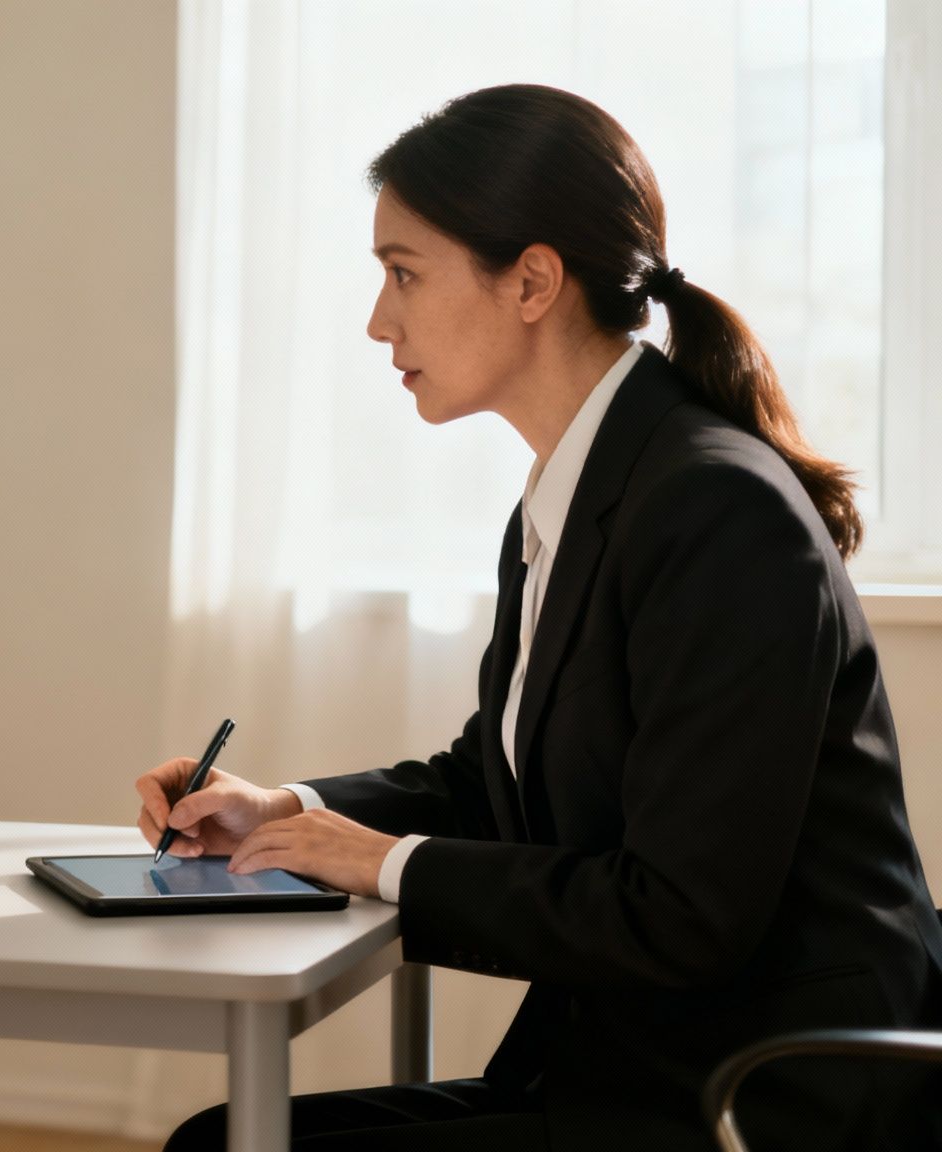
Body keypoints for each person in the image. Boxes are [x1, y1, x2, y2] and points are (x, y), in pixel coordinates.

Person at [137, 85, 942, 1152]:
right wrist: (284, 812)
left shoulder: (714, 509)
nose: (378, 320)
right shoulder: (581, 489)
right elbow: (494, 779)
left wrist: (371, 859)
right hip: (628, 1064)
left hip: (761, 1100)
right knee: (223, 1137)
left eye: (401, 273)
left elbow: (678, 915)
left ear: (530, 281)